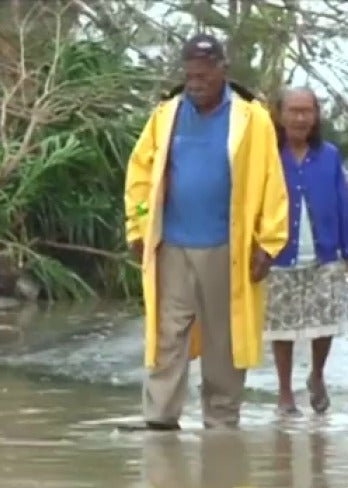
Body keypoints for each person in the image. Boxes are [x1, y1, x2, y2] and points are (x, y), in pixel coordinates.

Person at [124, 34, 289, 430]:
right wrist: (139, 225)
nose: (195, 83)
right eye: (189, 75)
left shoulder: (252, 119)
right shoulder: (166, 115)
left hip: (227, 248)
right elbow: (140, 178)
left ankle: (221, 421)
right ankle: (160, 420)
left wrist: (268, 243)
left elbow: (272, 184)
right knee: (167, 334)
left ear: (222, 71)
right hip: (172, 245)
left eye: (203, 76)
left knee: (223, 339)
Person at [264, 87, 348, 417]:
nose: (300, 118)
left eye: (307, 111)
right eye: (293, 110)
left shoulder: (329, 155)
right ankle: (284, 392)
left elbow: (343, 204)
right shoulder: (267, 154)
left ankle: (317, 375)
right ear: (279, 114)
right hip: (278, 255)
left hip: (324, 253)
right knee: (283, 328)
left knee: (324, 324)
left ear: (316, 115)